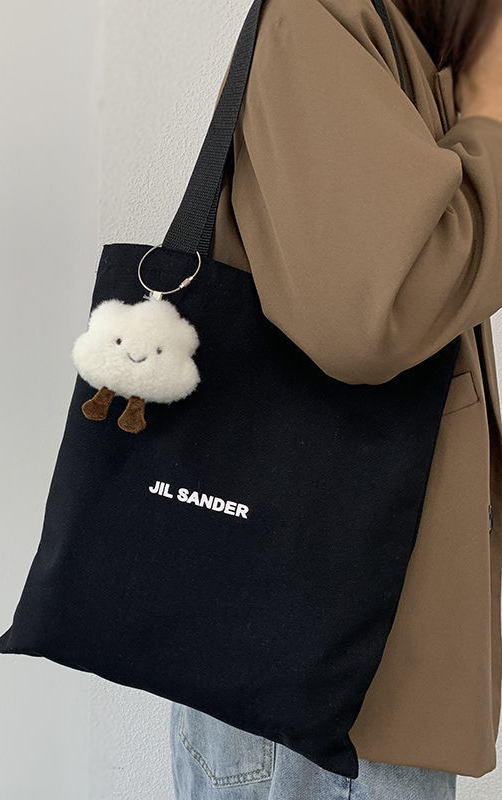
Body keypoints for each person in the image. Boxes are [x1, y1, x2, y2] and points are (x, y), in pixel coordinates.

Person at [170, 0, 502, 797]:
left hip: (349, 669)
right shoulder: (319, 17)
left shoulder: (392, 44)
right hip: (320, 695)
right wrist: (489, 108)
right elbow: (367, 319)